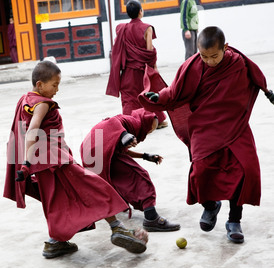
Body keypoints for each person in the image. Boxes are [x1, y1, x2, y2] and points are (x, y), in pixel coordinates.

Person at [139, 26, 274, 243]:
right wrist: (160, 97)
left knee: (244, 169)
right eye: (204, 56)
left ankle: (234, 220)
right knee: (200, 171)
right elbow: (175, 90)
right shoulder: (193, 65)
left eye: (214, 56)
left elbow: (256, 75)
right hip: (204, 125)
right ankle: (211, 205)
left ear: (225, 48)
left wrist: (268, 92)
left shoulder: (238, 63)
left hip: (234, 125)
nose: (209, 61)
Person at [4, 60, 149, 258]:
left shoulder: (25, 100)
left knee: (56, 202)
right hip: (55, 159)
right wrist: (26, 163)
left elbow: (21, 132)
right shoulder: (42, 104)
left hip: (41, 165)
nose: (57, 89)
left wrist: (27, 163)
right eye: (54, 85)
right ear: (40, 85)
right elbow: (31, 131)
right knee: (94, 187)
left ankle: (56, 242)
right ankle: (117, 227)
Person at [80, 109, 180, 232]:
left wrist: (145, 156)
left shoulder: (128, 126)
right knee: (139, 176)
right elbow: (112, 122)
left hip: (90, 150)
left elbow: (119, 150)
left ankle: (117, 205)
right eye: (149, 128)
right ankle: (151, 218)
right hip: (99, 149)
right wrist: (124, 134)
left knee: (113, 179)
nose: (148, 132)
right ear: (144, 122)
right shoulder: (130, 122)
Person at [106, 0, 167, 128]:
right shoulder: (147, 28)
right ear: (140, 11)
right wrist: (154, 68)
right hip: (142, 70)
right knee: (148, 94)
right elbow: (149, 52)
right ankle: (157, 120)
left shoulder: (122, 29)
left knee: (129, 98)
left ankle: (129, 123)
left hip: (128, 71)